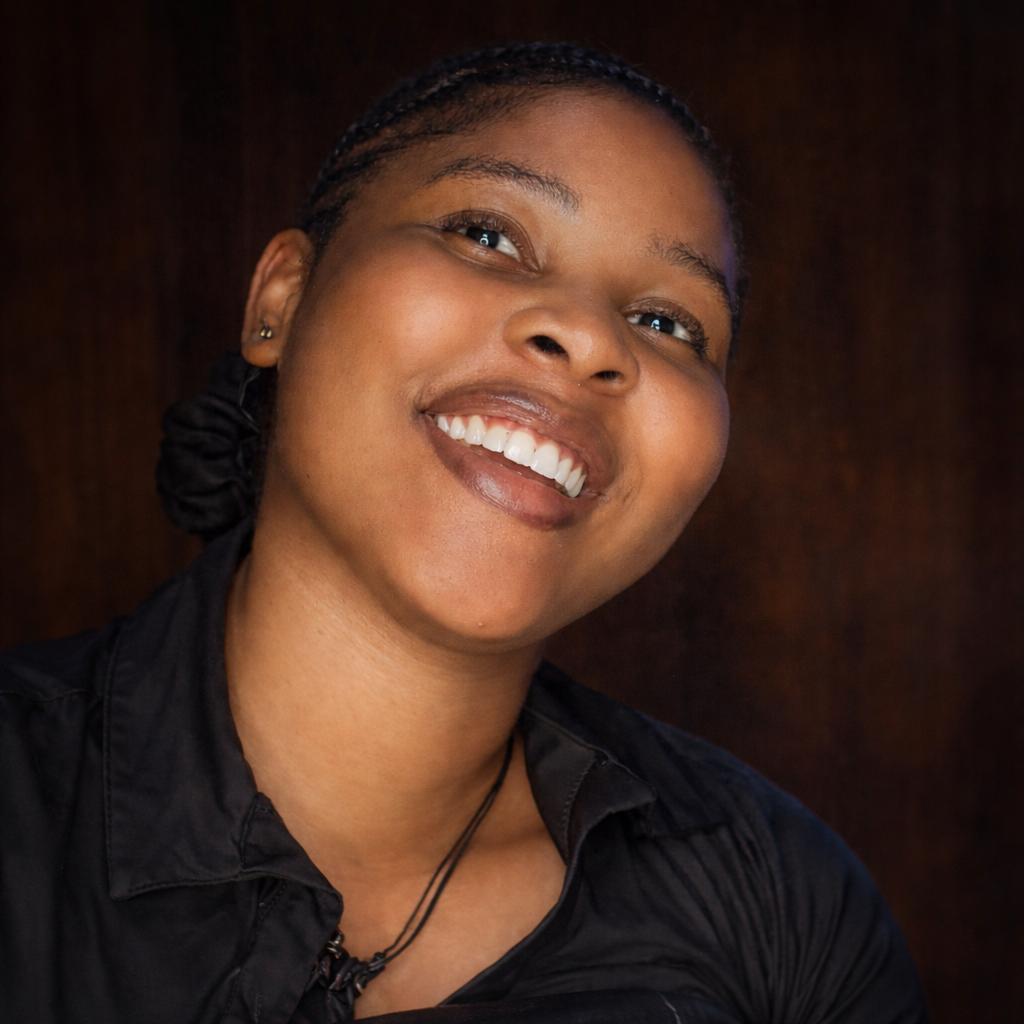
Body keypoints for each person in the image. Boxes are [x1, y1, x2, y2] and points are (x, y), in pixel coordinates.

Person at [0, 43, 929, 1024]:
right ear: (280, 301)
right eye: (487, 233)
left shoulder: (790, 914)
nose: (588, 336)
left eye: (668, 322)